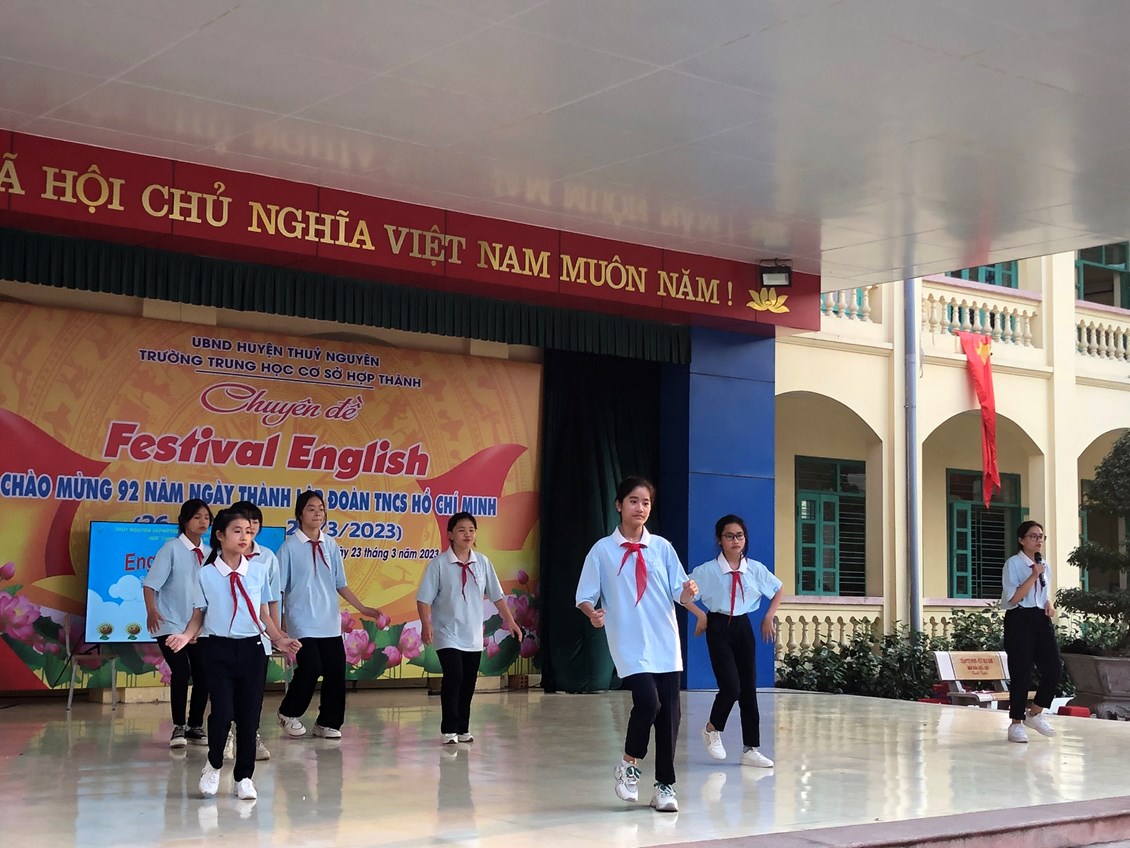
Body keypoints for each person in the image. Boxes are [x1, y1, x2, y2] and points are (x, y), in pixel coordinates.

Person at [575, 476, 698, 813]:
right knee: (648, 703)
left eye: (645, 502)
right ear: (619, 505)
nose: (640, 508)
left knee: (669, 715)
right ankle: (629, 765)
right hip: (629, 642)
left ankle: (665, 787)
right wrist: (592, 613)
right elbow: (584, 595)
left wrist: (689, 591)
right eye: (633, 501)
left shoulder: (662, 548)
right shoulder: (602, 550)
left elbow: (680, 593)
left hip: (664, 641)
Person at [165, 508, 301, 800]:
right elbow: (198, 615)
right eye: (237, 531)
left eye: (248, 532)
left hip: (252, 650)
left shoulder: (259, 571)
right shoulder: (206, 575)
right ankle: (213, 765)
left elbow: (264, 614)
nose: (244, 537)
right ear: (220, 535)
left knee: (249, 717)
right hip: (217, 649)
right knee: (223, 712)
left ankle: (244, 777)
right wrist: (185, 636)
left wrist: (280, 639)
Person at [276, 490, 383, 739]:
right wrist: (279, 623)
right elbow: (278, 589)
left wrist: (363, 608)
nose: (317, 513)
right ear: (299, 514)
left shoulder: (331, 544)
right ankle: (287, 712)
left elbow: (340, 583)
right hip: (302, 620)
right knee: (311, 667)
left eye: (321, 509)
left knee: (335, 671)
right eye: (311, 509)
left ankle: (327, 722)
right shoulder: (289, 548)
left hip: (328, 621)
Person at [417, 512, 523, 745]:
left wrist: (510, 621)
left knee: (468, 681)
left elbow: (497, 595)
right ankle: (449, 729)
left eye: (471, 530)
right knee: (454, 676)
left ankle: (463, 728)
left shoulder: (483, 563)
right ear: (450, 535)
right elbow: (423, 598)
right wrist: (426, 624)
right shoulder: (439, 564)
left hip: (473, 634)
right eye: (461, 530)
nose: (467, 534)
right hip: (446, 632)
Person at [687, 514, 782, 769]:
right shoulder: (708, 571)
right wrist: (700, 615)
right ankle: (712, 728)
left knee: (748, 690)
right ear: (720, 540)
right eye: (729, 536)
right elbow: (681, 593)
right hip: (718, 626)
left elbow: (778, 589)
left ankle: (751, 749)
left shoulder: (755, 569)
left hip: (743, 626)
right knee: (731, 687)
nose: (735, 541)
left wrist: (768, 616)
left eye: (739, 536)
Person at [143, 498, 214, 748]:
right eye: (197, 517)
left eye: (206, 517)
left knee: (204, 674)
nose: (203, 521)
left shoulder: (210, 553)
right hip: (170, 623)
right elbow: (150, 584)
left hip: (199, 625)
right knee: (181, 671)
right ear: (184, 520)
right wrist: (152, 611)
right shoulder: (171, 549)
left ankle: (195, 725)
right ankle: (178, 726)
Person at [221, 500, 279, 762]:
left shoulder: (267, 558)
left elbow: (271, 600)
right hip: (226, 639)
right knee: (226, 694)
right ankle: (226, 735)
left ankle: (251, 735)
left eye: (254, 523)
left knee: (253, 694)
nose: (249, 529)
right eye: (242, 525)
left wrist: (275, 635)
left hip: (258, 639)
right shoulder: (217, 558)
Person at [1001, 520, 1062, 743]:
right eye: (1033, 536)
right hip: (1019, 618)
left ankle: (1035, 713)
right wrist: (1033, 575)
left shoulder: (1043, 564)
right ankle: (1016, 723)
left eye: (1041, 537)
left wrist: (1049, 604)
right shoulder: (1013, 564)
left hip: (1040, 618)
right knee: (1021, 671)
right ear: (1021, 540)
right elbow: (1013, 598)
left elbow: (1043, 593)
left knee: (1054, 667)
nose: (1038, 540)